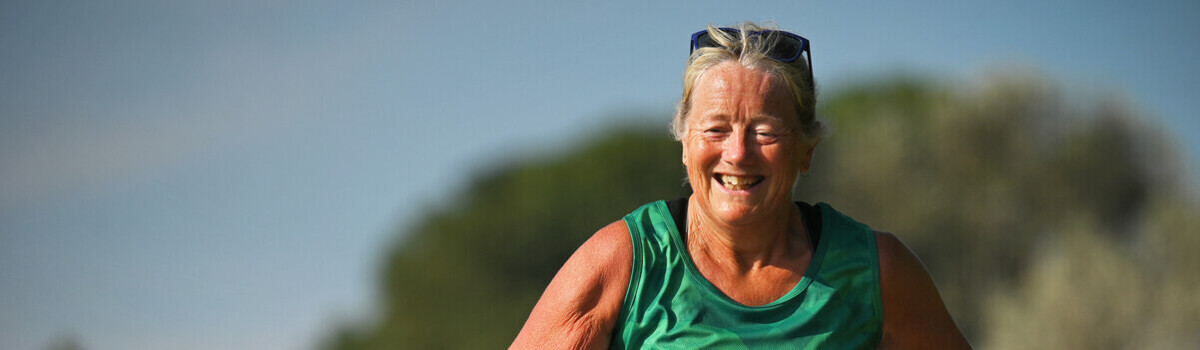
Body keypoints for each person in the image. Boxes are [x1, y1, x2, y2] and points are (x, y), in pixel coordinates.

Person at [511, 22, 971, 349]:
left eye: (765, 131)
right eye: (715, 130)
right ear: (685, 144)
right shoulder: (625, 263)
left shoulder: (877, 272)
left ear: (805, 150)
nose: (738, 153)